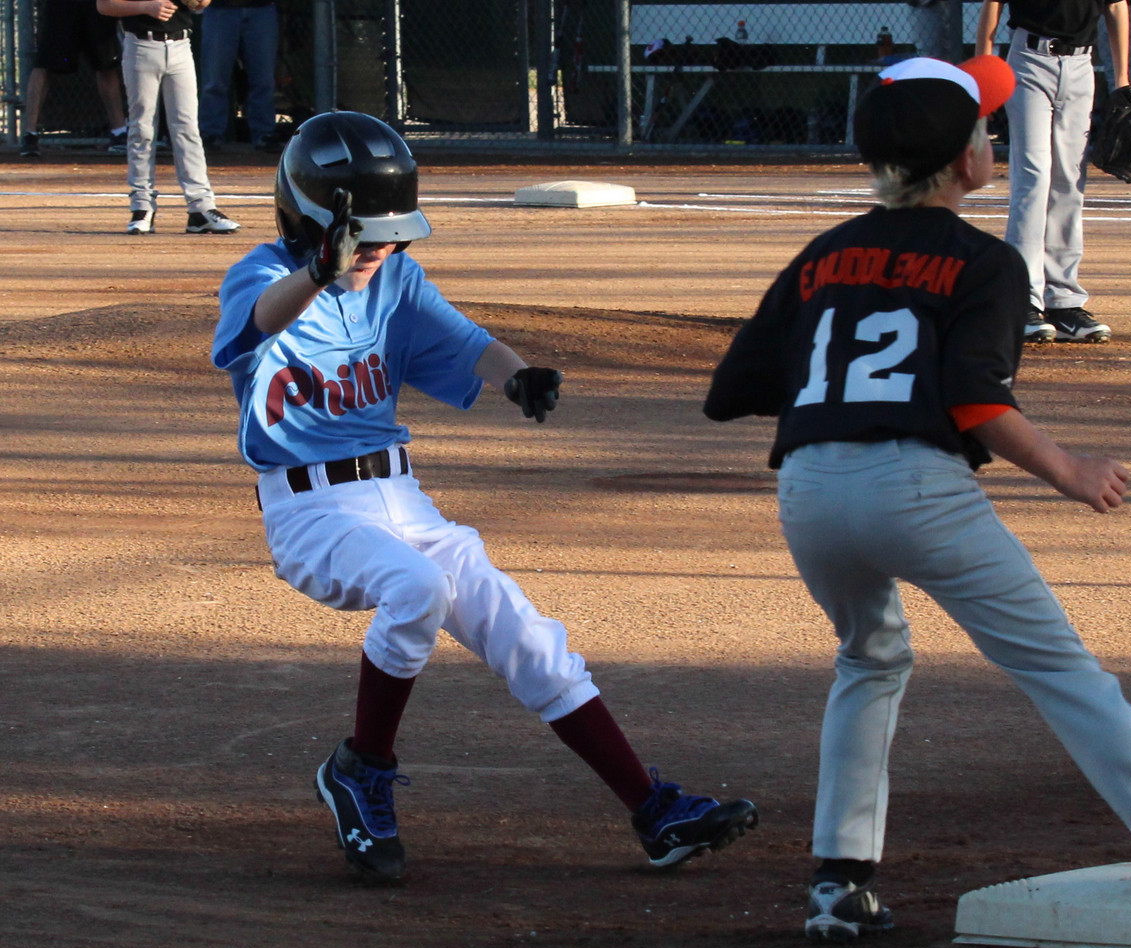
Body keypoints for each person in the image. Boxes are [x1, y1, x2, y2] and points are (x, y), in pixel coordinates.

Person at [703, 55, 1131, 948]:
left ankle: (839, 883)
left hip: (808, 491)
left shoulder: (822, 254)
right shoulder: (984, 261)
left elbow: (731, 391)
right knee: (1062, 672)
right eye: (982, 133)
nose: (989, 141)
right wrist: (1068, 469)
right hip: (916, 488)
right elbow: (975, 402)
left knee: (869, 657)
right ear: (967, 163)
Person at [210, 110, 759, 881]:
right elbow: (254, 325)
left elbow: (466, 342)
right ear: (310, 220)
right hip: (309, 513)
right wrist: (318, 272)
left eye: (391, 236)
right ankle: (361, 769)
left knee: (524, 634)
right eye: (365, 237)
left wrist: (516, 376)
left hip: (400, 496)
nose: (382, 250)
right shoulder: (262, 276)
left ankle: (654, 811)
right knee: (416, 589)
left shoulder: (395, 281)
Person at [976, 0, 1128, 344]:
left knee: (1069, 182)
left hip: (1082, 64)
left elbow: (1117, 7)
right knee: (1034, 177)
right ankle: (1023, 299)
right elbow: (993, 4)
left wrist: (1121, 80)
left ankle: (1063, 301)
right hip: (1029, 59)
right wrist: (985, 65)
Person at [96, 0, 241, 235]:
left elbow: (202, 3)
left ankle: (201, 208)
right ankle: (142, 206)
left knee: (187, 128)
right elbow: (104, 5)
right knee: (142, 128)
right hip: (141, 44)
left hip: (181, 45)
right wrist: (146, 7)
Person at [19, 0, 128, 157]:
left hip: (96, 6)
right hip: (61, 7)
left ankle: (119, 132)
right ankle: (30, 134)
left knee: (106, 65)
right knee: (44, 63)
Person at [198, 0, 280, 153]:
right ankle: (210, 134)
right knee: (214, 81)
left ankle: (264, 134)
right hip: (220, 9)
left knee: (264, 80)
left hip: (262, 8)